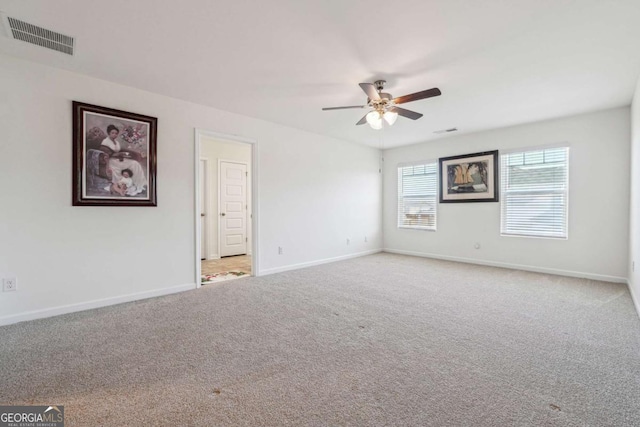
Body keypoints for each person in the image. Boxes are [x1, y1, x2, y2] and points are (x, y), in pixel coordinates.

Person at [100, 125, 148, 196]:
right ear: (109, 133)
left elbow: (119, 151)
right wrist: (117, 154)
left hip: (119, 159)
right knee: (119, 168)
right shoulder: (105, 141)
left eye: (116, 133)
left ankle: (139, 183)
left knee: (135, 163)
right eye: (112, 133)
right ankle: (122, 186)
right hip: (111, 160)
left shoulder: (117, 142)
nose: (114, 135)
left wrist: (123, 154)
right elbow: (105, 153)